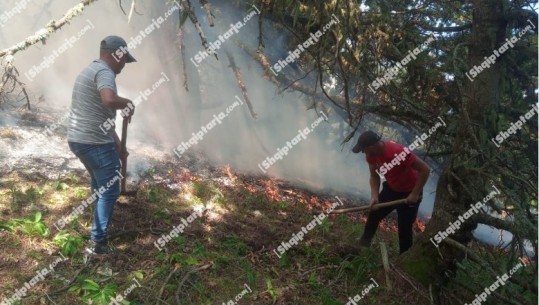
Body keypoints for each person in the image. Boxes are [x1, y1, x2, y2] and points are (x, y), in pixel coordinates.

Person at [67, 35, 137, 254]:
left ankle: (97, 225)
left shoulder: (89, 70)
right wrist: (128, 103)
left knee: (100, 185)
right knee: (109, 190)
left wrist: (118, 146)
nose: (124, 64)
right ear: (116, 55)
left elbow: (101, 116)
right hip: (93, 142)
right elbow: (109, 100)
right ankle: (98, 243)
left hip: (79, 139)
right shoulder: (105, 73)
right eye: (124, 59)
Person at [352, 130, 430, 254]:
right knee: (374, 214)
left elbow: (425, 170)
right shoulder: (371, 155)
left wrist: (415, 193)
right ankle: (363, 244)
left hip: (410, 191)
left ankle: (404, 258)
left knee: (404, 228)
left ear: (372, 146)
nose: (363, 153)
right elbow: (374, 176)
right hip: (391, 189)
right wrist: (374, 196)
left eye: (364, 149)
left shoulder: (398, 151)